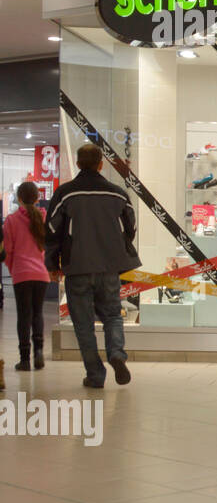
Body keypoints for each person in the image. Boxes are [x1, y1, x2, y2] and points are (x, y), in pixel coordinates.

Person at [44, 144, 140, 387]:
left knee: (83, 323)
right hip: (108, 267)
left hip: (77, 267)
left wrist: (52, 263)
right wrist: (117, 244)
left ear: (77, 164)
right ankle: (116, 354)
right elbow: (131, 226)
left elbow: (52, 230)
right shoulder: (117, 193)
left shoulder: (65, 193)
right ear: (101, 164)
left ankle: (95, 374)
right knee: (112, 316)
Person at [3, 181, 51, 372]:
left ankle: (24, 359)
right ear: (38, 198)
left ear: (19, 199)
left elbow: (8, 251)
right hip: (41, 274)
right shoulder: (43, 217)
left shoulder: (11, 220)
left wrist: (13, 268)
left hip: (21, 273)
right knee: (37, 313)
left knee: (24, 315)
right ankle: (39, 352)